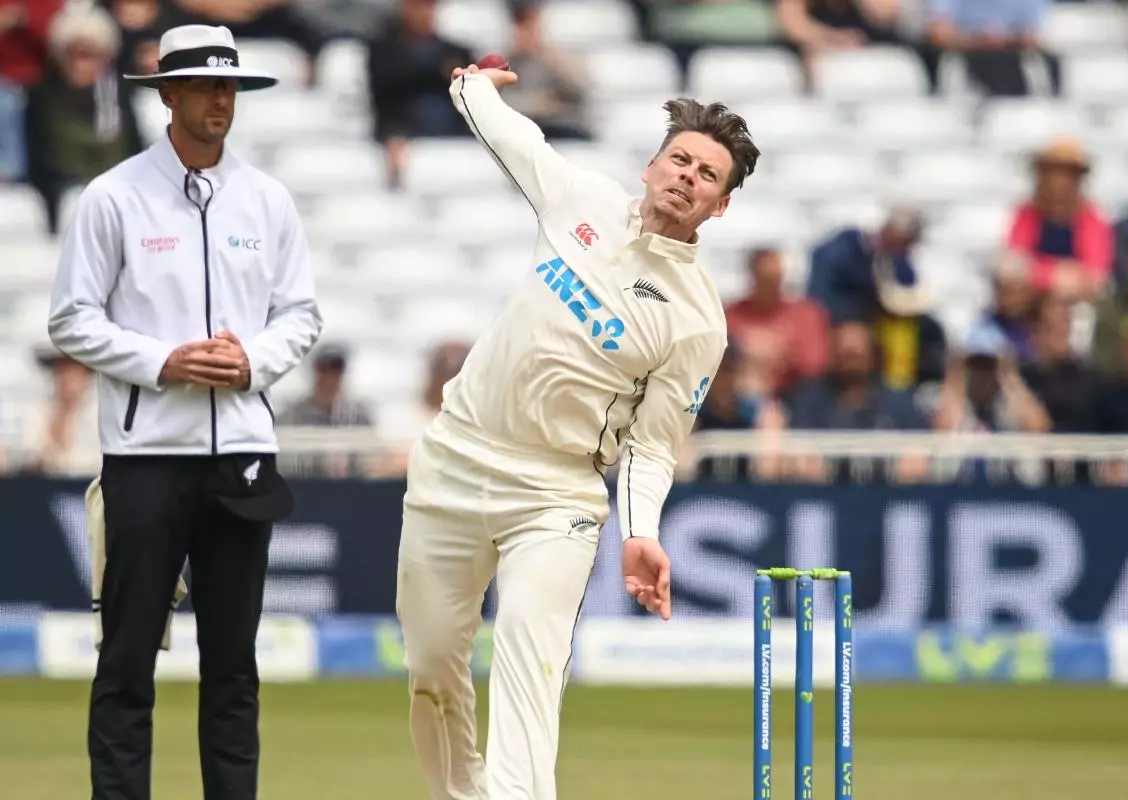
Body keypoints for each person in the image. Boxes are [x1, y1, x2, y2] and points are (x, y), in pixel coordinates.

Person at [394, 62, 759, 799]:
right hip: (454, 460)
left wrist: (641, 531)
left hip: (554, 495)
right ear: (652, 165)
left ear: (719, 206)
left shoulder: (697, 320)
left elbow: (654, 444)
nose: (687, 177)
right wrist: (473, 85)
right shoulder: (579, 200)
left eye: (707, 175)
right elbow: (509, 134)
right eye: (681, 160)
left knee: (529, 669)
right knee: (431, 669)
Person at [46, 23, 322, 800]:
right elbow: (70, 319)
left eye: (228, 86)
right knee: (127, 661)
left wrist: (252, 361)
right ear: (167, 94)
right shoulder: (114, 196)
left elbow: (300, 315)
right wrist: (161, 362)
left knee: (234, 667)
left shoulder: (266, 200)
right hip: (145, 461)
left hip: (242, 457)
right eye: (203, 85)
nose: (218, 101)